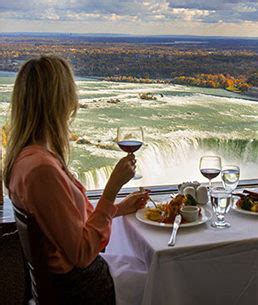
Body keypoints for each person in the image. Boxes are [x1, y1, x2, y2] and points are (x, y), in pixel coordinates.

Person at [3, 55, 149, 305]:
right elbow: (81, 252)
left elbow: (65, 227)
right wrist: (112, 189)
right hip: (81, 288)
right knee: (159, 277)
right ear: (59, 103)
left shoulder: (27, 158)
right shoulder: (42, 170)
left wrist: (118, 209)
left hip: (67, 283)